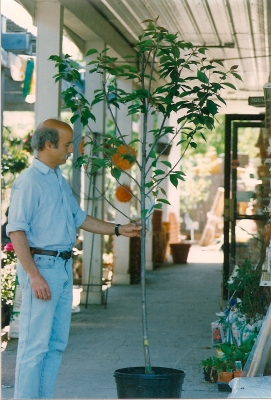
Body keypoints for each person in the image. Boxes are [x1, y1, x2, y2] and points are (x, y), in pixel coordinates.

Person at [6, 118, 142, 399]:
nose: (71, 150)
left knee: (55, 345)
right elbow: (16, 232)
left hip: (63, 268)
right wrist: (34, 276)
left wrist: (119, 229)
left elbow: (79, 218)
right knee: (33, 347)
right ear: (48, 144)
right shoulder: (28, 182)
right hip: (42, 269)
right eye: (67, 144)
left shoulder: (57, 178)